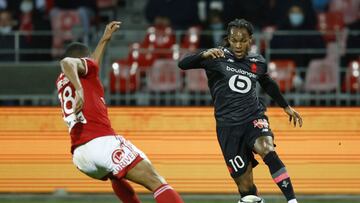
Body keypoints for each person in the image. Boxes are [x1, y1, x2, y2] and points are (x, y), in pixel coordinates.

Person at [56, 21, 184, 203]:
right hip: (99, 142)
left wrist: (104, 39)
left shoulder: (63, 81)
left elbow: (92, 64)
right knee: (156, 181)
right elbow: (67, 62)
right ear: (82, 60)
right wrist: (80, 89)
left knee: (116, 176)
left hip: (80, 156)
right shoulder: (75, 69)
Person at [178, 18, 303, 203]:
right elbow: (183, 64)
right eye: (233, 40)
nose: (238, 44)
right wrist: (203, 55)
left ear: (250, 40)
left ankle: (292, 201)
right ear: (228, 39)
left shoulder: (257, 61)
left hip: (253, 117)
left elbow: (267, 83)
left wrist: (286, 106)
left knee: (267, 149)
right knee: (246, 189)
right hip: (228, 128)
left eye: (242, 40)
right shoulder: (216, 57)